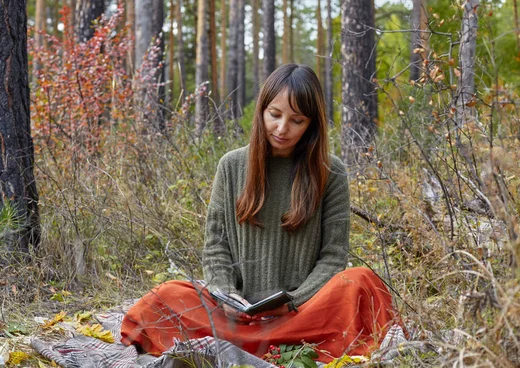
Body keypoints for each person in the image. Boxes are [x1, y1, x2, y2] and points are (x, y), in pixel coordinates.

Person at [121, 64, 398, 363]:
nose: (282, 129)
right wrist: (224, 293)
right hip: (236, 315)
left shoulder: (330, 172)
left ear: (311, 124)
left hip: (303, 312)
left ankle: (267, 345)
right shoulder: (231, 165)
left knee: (363, 283)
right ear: (261, 111)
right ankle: (264, 345)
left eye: (297, 120)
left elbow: (333, 256)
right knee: (165, 296)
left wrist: (294, 301)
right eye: (275, 115)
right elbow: (216, 246)